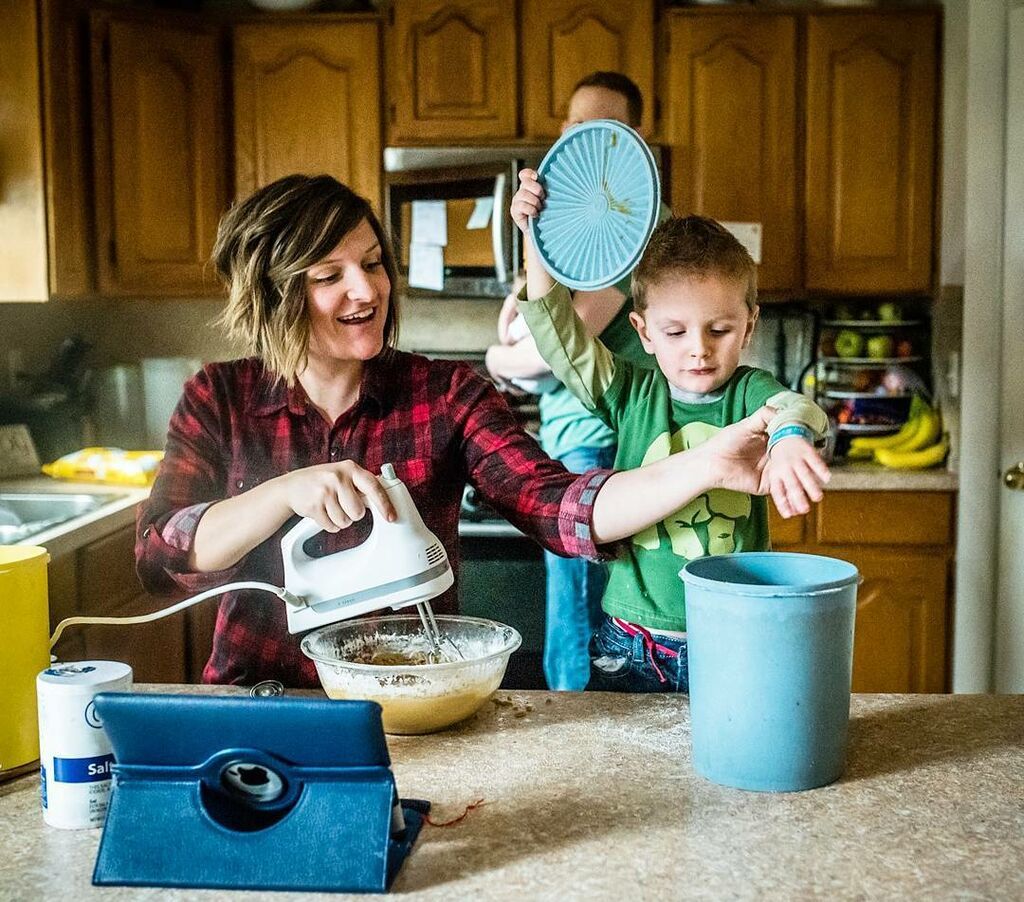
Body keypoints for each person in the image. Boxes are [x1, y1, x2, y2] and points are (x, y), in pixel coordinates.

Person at [135, 173, 779, 689]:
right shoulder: (218, 397)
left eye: (373, 262)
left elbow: (556, 507)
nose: (367, 289)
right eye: (329, 276)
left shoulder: (445, 394)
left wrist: (707, 464)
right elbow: (159, 559)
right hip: (258, 702)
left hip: (410, 703)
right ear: (273, 294)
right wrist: (283, 493)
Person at [510, 171, 832, 693]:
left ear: (749, 326)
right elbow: (555, 330)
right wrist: (536, 235)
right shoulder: (629, 392)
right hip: (629, 644)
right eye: (675, 332)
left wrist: (790, 435)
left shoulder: (749, 393)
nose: (698, 349)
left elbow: (791, 405)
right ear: (644, 332)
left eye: (720, 330)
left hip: (729, 639)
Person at [486, 71, 664, 692]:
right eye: (575, 122)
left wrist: (496, 356)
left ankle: (582, 716)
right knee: (584, 607)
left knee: (584, 611)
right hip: (574, 438)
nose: (584, 134)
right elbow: (525, 318)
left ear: (633, 136)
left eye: (603, 124)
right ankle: (588, 717)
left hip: (605, 440)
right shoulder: (569, 218)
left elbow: (543, 353)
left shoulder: (634, 222)